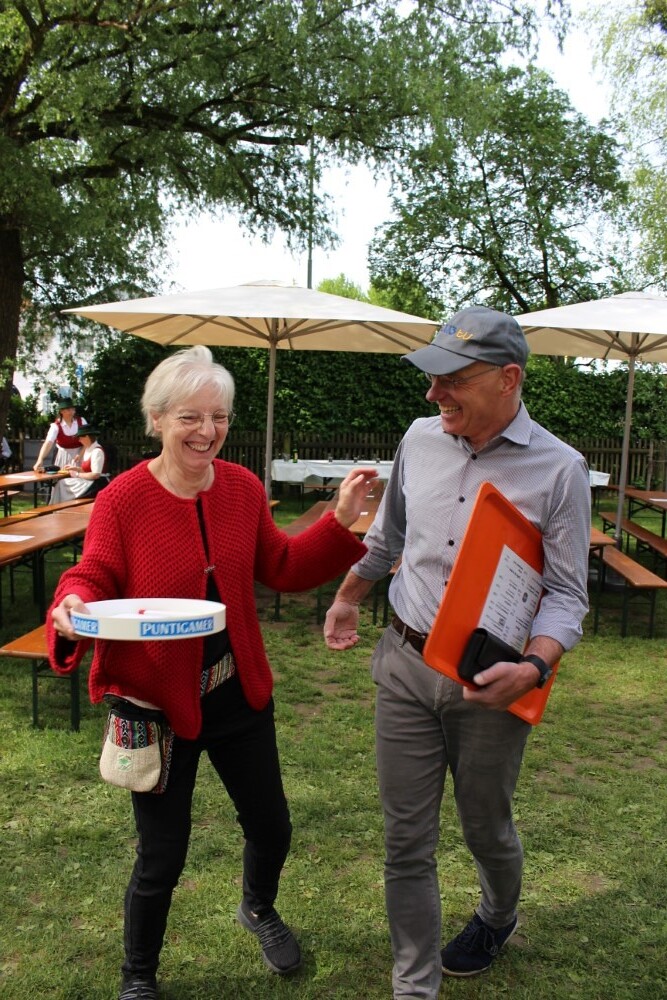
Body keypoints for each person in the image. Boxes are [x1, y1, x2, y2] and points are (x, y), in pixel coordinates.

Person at [47, 345, 377, 1000]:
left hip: (235, 691)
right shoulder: (123, 499)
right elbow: (95, 573)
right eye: (190, 417)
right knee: (162, 856)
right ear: (157, 419)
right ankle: (139, 975)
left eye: (219, 417)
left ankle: (258, 907)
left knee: (272, 826)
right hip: (154, 702)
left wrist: (340, 522)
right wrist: (72, 602)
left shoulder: (242, 489)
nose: (207, 431)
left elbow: (281, 567)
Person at [324, 307, 591, 999]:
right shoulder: (419, 439)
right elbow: (388, 537)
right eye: (431, 377)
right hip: (405, 666)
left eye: (452, 379)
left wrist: (533, 667)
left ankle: (497, 916)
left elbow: (567, 595)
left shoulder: (559, 469)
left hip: (489, 684)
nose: (433, 393)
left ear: (508, 379)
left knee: (485, 828)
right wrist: (349, 595)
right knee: (405, 841)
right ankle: (413, 986)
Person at [50, 425, 109, 503]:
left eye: (80, 438)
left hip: (96, 485)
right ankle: (57, 507)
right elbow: (87, 470)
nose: (79, 440)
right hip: (88, 482)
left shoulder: (97, 451)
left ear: (87, 437)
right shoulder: (88, 449)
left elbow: (95, 475)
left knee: (62, 484)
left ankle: (59, 507)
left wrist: (77, 474)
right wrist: (75, 468)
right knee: (61, 483)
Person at [33, 396, 87, 471]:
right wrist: (40, 459)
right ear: (61, 411)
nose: (71, 412)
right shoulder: (56, 426)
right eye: (68, 409)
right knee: (62, 476)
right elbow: (48, 443)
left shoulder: (81, 421)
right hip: (62, 456)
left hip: (81, 455)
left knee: (81, 476)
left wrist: (81, 454)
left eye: (73, 409)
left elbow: (88, 440)